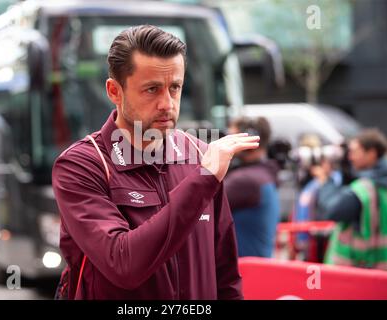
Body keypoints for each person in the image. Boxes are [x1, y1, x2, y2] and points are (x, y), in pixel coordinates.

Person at [52, 25, 260, 300]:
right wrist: (202, 181)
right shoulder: (81, 165)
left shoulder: (200, 155)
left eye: (175, 88)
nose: (167, 103)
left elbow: (226, 274)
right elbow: (123, 264)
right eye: (152, 89)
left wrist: (204, 175)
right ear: (115, 91)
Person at [321, 128, 387, 270]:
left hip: (357, 273)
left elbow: (332, 210)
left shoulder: (363, 190)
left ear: (371, 154)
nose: (350, 157)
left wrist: (327, 181)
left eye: (354, 152)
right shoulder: (382, 182)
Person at [224, 117, 280, 258]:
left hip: (243, 273)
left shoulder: (246, 181)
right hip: (252, 271)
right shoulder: (261, 174)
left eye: (231, 138)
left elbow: (199, 201)